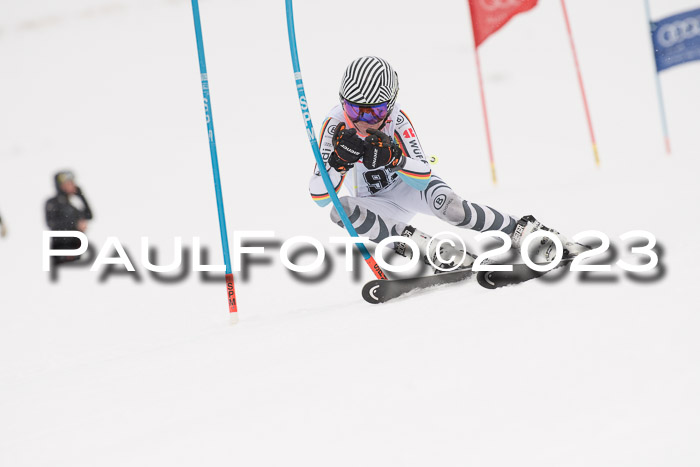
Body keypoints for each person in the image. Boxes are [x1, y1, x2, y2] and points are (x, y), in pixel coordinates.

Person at [309, 56, 586, 272]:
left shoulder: (397, 120)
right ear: (342, 102)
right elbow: (320, 196)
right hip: (377, 205)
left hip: (407, 189)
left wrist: (394, 159)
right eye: (354, 109)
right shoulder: (334, 126)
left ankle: (524, 231)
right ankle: (432, 250)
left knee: (453, 209)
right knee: (340, 210)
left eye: (376, 111)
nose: (363, 121)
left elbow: (422, 176)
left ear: (390, 106)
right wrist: (338, 164)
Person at [45, 171, 93, 262]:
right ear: (61, 186)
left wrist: (80, 195)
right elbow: (52, 223)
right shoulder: (53, 203)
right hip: (61, 249)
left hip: (77, 248)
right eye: (69, 183)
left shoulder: (74, 202)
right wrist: (75, 224)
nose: (72, 185)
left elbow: (89, 215)